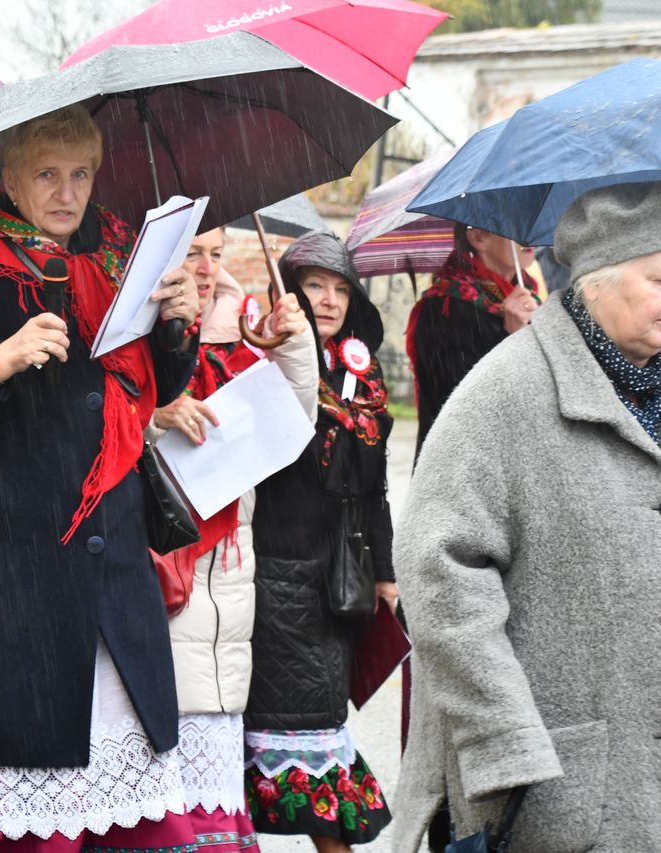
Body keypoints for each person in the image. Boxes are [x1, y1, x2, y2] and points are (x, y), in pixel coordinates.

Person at [393, 182, 661, 852]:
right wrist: (504, 738)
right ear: (598, 279)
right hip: (544, 791)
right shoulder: (504, 393)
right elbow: (439, 570)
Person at [0, 104, 201, 852]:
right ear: (12, 179)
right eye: (47, 174)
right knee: (11, 795)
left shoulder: (121, 259)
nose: (66, 192)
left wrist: (176, 325)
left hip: (106, 569)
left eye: (80, 173)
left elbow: (148, 386)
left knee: (107, 802)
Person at [149, 227, 317, 853]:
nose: (206, 267)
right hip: (162, 556)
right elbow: (99, 423)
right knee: (160, 741)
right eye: (192, 251)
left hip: (230, 566)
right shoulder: (138, 330)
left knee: (214, 721)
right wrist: (155, 417)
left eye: (216, 253)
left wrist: (296, 346)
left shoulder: (242, 333)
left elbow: (293, 419)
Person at [244, 229, 396, 853]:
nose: (329, 301)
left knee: (318, 730)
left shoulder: (363, 377)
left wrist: (385, 572)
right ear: (289, 292)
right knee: (282, 739)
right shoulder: (263, 360)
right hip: (272, 569)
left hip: (337, 580)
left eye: (341, 289)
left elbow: (374, 488)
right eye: (314, 286)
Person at [405, 224, 541, 460]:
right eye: (514, 225)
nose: (529, 235)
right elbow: (458, 400)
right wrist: (509, 335)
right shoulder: (443, 308)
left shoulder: (531, 302)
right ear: (478, 238)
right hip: (460, 464)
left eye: (527, 222)